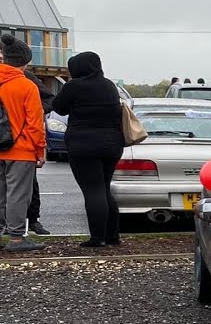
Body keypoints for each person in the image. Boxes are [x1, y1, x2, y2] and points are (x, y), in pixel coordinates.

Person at [52, 52, 125, 248]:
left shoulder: (74, 86)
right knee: (104, 188)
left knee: (93, 190)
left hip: (83, 144)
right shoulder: (109, 85)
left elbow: (58, 108)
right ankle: (113, 236)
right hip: (112, 144)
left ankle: (97, 237)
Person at [0, 33, 47, 252]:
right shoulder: (27, 86)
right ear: (25, 61)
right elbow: (35, 124)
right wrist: (40, 150)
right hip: (21, 149)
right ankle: (17, 238)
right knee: (17, 195)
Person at [22, 67, 55, 235]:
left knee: (29, 184)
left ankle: (33, 220)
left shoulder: (26, 76)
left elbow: (49, 99)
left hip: (22, 141)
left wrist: (37, 109)